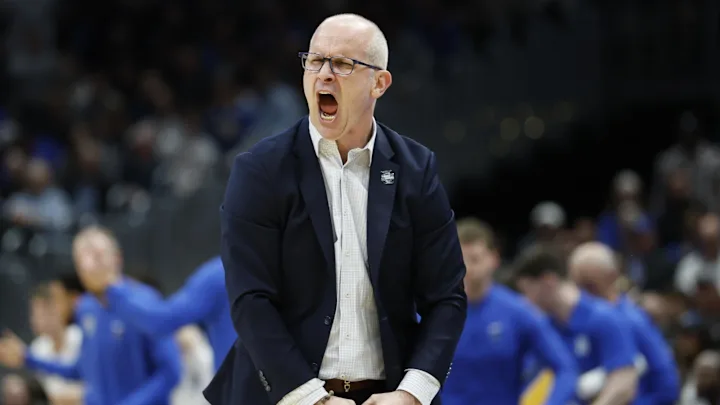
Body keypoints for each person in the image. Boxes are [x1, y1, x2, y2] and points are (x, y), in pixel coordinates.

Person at [204, 13, 467, 405]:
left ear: (379, 83)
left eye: (343, 64)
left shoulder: (416, 168)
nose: (324, 74)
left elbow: (446, 297)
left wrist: (412, 393)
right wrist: (313, 398)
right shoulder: (260, 170)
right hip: (286, 397)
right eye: (315, 61)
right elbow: (250, 299)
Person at [0, 226, 182, 405]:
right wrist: (28, 358)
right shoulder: (86, 308)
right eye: (82, 258)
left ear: (117, 258)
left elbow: (171, 372)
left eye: (97, 255)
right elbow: (82, 371)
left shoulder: (145, 301)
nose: (89, 265)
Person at [441, 218, 577, 405]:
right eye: (459, 259)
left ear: (493, 258)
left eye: (474, 259)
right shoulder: (433, 312)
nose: (467, 268)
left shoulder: (518, 313)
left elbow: (566, 368)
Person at [512, 245, 638, 405]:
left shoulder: (604, 319)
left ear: (548, 281)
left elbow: (624, 382)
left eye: (527, 290)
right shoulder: (545, 326)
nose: (524, 301)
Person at [568, 242, 680, 405]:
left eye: (590, 286)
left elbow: (667, 385)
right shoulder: (576, 322)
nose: (584, 296)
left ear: (612, 276)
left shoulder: (633, 320)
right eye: (578, 287)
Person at [104, 255, 235, 369]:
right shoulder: (223, 273)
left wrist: (115, 287)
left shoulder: (222, 273)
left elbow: (161, 320)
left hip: (238, 384)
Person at [27, 281, 84, 405]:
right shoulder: (37, 349)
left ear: (56, 309)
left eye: (39, 313)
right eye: (33, 313)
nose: (34, 319)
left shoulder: (82, 339)